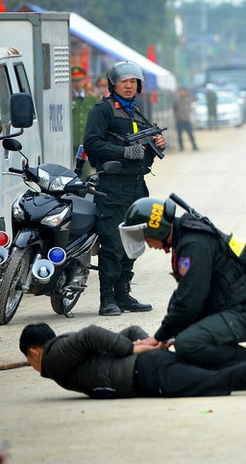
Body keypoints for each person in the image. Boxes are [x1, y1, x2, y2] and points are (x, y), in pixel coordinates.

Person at [118, 196, 246, 367]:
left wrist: (159, 337)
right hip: (233, 306)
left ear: (158, 231)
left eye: (147, 239)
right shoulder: (184, 235)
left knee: (187, 344)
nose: (149, 245)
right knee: (181, 328)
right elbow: (184, 296)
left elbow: (190, 301)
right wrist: (170, 333)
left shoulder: (193, 245)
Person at [18, 323, 246, 398]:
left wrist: (133, 350)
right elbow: (130, 331)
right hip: (149, 365)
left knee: (218, 381)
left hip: (145, 374)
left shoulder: (54, 358)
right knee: (227, 369)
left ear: (34, 352)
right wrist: (150, 342)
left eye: (30, 360)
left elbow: (91, 334)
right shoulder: (64, 351)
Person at [83, 61, 164, 317]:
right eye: (123, 82)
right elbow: (91, 144)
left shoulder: (137, 113)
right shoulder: (103, 110)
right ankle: (107, 298)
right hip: (113, 185)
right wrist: (124, 151)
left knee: (134, 240)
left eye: (133, 82)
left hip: (137, 185)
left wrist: (156, 145)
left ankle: (123, 294)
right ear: (113, 85)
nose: (128, 86)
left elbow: (145, 154)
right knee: (113, 242)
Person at [70, 66, 99, 176]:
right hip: (71, 140)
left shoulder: (92, 98)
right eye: (74, 80)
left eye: (79, 80)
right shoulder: (67, 98)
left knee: (84, 171)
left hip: (85, 140)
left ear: (84, 80)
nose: (77, 83)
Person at [172, 87, 199, 152]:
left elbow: (190, 109)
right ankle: (181, 147)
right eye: (181, 91)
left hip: (187, 120)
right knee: (179, 135)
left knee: (190, 134)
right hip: (179, 120)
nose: (183, 93)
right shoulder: (176, 100)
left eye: (184, 91)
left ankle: (194, 146)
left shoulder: (188, 100)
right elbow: (174, 109)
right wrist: (176, 117)